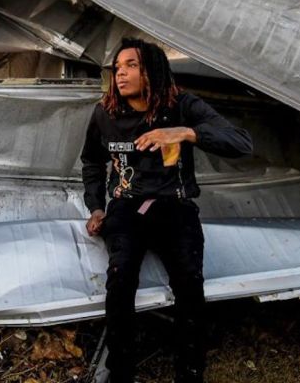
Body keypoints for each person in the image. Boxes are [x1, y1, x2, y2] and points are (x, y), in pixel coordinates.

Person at [81, 38, 253, 383]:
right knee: (120, 275)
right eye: (118, 68)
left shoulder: (181, 105)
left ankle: (189, 371)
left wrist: (186, 132)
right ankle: (121, 372)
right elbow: (92, 162)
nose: (122, 74)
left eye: (132, 66)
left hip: (174, 205)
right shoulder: (106, 113)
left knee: (189, 282)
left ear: (153, 71)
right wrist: (96, 207)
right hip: (126, 208)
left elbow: (241, 142)